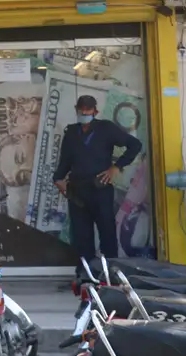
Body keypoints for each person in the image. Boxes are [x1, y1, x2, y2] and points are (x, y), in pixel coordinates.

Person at [52, 94, 142, 269]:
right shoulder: (71, 133)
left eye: (88, 110)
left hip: (100, 189)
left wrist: (116, 167)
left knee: (107, 235)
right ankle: (86, 275)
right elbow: (65, 162)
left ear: (95, 111)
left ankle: (111, 274)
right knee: (81, 238)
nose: (85, 113)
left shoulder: (106, 128)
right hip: (77, 192)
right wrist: (58, 180)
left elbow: (135, 145)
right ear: (76, 110)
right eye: (82, 110)